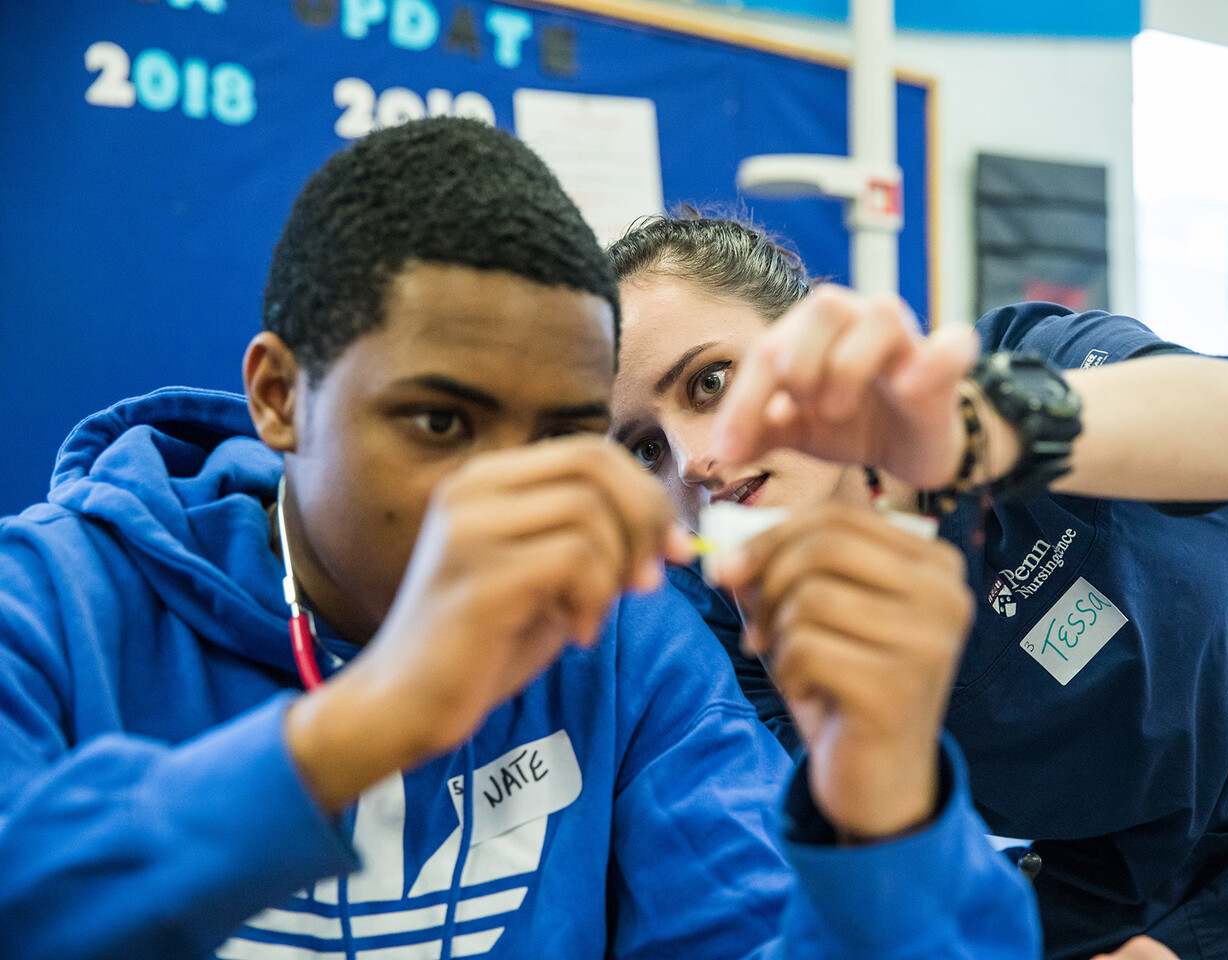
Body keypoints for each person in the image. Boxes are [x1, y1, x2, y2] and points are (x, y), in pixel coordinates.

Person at [0, 119, 1043, 959]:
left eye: (564, 439)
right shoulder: (51, 604)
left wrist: (881, 804)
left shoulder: (626, 646)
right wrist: (371, 717)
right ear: (279, 396)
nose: (509, 494)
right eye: (441, 422)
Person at [606, 213, 1228, 960]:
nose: (693, 462)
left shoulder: (1016, 369)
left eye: (709, 382)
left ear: (803, 338)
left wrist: (976, 431)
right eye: (643, 449)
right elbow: (875, 877)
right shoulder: (734, 638)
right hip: (1099, 931)